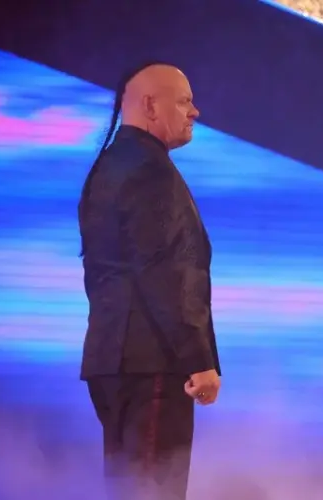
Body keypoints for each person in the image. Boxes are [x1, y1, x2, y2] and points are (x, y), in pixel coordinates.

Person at [77, 62, 221, 500]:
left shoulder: (109, 167)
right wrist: (198, 357)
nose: (195, 111)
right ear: (151, 105)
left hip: (116, 360)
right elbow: (166, 269)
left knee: (129, 488)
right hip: (152, 361)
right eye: (184, 101)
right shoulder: (149, 171)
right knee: (152, 491)